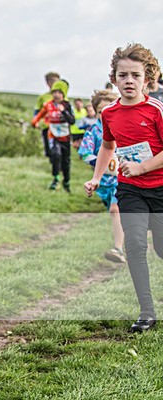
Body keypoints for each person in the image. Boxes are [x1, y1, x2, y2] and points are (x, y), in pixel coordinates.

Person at [84, 43, 163, 333]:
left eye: (135, 75)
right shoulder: (110, 115)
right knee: (135, 245)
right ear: (114, 79)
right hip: (130, 188)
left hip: (160, 187)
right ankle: (147, 311)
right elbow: (107, 146)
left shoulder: (157, 110)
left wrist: (143, 166)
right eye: (123, 75)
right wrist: (96, 177)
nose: (129, 81)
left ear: (147, 79)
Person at [79, 89, 125, 263]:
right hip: (102, 182)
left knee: (115, 210)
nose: (105, 115)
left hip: (123, 180)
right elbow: (84, 152)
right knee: (114, 212)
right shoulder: (93, 131)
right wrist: (98, 162)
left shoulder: (124, 128)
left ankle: (118, 249)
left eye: (109, 110)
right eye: (100, 112)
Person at [31, 79, 75, 191]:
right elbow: (40, 114)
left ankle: (66, 181)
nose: (56, 95)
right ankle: (55, 178)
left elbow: (72, 121)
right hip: (53, 136)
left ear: (63, 94)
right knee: (55, 154)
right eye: (54, 92)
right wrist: (34, 122)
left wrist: (64, 112)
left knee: (66, 162)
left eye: (59, 93)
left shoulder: (67, 105)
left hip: (65, 137)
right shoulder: (48, 105)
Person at [36, 72, 61, 160]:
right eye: (53, 81)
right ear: (47, 83)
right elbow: (37, 111)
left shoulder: (63, 97)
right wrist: (36, 121)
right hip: (47, 125)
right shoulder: (43, 97)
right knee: (49, 149)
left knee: (60, 148)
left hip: (60, 126)